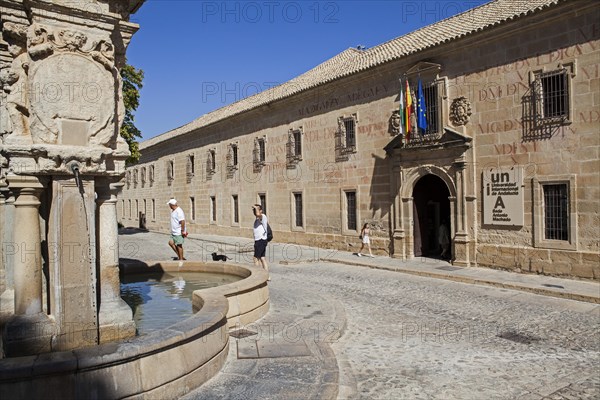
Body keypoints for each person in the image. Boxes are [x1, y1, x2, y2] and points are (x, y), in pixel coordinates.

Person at [252, 204, 269, 279]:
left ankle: (258, 276)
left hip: (261, 240)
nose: (255, 211)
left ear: (261, 210)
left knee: (256, 258)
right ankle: (267, 276)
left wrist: (256, 208)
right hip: (259, 240)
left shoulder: (263, 216)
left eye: (256, 209)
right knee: (262, 258)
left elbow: (258, 214)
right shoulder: (257, 219)